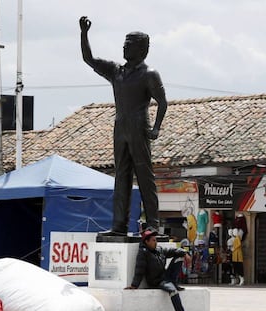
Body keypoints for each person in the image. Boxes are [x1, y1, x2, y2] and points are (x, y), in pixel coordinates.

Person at [79, 16, 168, 236]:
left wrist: (156, 127)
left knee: (144, 175)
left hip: (139, 126)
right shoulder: (115, 70)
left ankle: (153, 224)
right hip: (120, 127)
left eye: (129, 44)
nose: (124, 47)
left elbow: (163, 102)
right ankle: (119, 225)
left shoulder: (149, 74)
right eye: (124, 43)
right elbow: (88, 58)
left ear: (141, 49)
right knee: (121, 177)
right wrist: (84, 33)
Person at [125, 227, 191, 311]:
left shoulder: (159, 250)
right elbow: (139, 270)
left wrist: (185, 253)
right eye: (153, 240)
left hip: (165, 276)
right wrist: (134, 285)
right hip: (157, 281)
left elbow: (172, 251)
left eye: (156, 240)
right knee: (173, 291)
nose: (155, 242)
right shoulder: (143, 253)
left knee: (179, 257)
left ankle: (173, 282)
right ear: (146, 241)